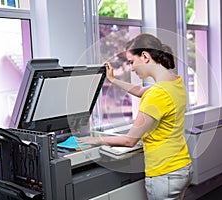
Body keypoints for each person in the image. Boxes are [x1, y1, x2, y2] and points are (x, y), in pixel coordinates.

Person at [78, 33, 193, 200]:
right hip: (182, 167)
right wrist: (113, 80)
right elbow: (140, 91)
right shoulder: (175, 82)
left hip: (164, 173)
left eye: (132, 62)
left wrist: (95, 140)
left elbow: (129, 141)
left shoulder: (157, 94)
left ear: (145, 56)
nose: (131, 68)